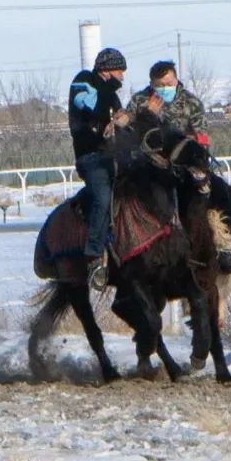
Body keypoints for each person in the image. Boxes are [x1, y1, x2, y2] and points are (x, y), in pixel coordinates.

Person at [127, 60, 231, 273]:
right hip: (152, 171)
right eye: (160, 85)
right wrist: (147, 116)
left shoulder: (191, 103)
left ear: (176, 80)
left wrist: (193, 148)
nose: (165, 89)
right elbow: (130, 137)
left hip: (186, 169)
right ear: (152, 84)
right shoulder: (139, 102)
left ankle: (224, 249)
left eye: (168, 84)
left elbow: (201, 139)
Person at [69, 47, 131, 289]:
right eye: (119, 71)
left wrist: (123, 121)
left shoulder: (112, 95)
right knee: (104, 198)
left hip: (113, 156)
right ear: (106, 70)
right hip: (91, 158)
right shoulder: (83, 81)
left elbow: (119, 121)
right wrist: (109, 90)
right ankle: (94, 256)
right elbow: (90, 105)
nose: (122, 77)